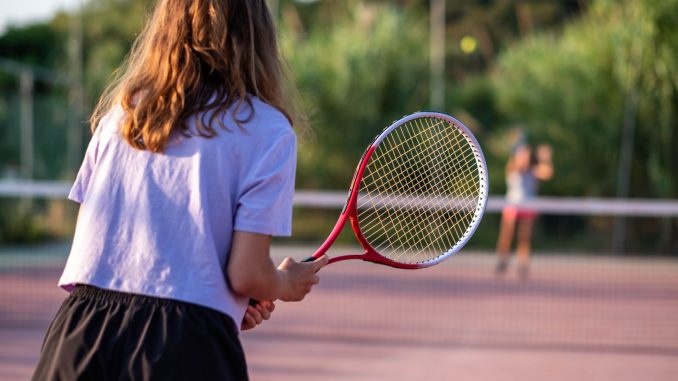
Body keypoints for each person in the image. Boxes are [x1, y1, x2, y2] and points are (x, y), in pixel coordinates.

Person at [32, 1, 328, 380]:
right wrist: (283, 283)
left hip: (79, 334)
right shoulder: (268, 131)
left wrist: (223, 305)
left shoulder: (120, 118)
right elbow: (247, 274)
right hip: (186, 346)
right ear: (257, 33)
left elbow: (111, 251)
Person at [495, 142, 553, 280]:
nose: (524, 157)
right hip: (512, 205)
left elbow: (548, 173)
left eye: (526, 154)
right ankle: (502, 261)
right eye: (521, 154)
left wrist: (545, 158)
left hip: (528, 206)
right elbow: (519, 167)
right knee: (507, 236)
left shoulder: (533, 170)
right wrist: (522, 159)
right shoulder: (512, 167)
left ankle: (523, 265)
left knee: (525, 237)